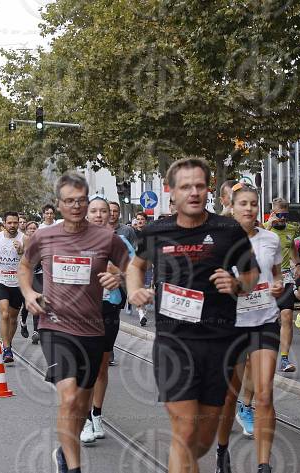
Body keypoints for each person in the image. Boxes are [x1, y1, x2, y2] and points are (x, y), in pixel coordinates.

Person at [126, 158, 259, 473]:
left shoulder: (228, 230)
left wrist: (238, 284)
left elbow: (252, 272)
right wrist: (134, 291)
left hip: (219, 344)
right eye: (186, 186)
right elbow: (136, 266)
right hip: (174, 344)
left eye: (200, 185)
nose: (194, 192)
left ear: (209, 188)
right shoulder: (157, 231)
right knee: (185, 433)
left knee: (202, 440)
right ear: (171, 191)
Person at [19, 172, 129, 473]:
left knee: (80, 404)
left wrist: (118, 276)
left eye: (81, 200)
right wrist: (29, 292)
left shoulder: (106, 238)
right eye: (69, 201)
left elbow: (131, 266)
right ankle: (73, 465)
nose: (76, 206)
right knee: (68, 398)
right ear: (59, 204)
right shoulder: (44, 236)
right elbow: (26, 265)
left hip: (92, 329)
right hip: (55, 326)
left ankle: (64, 450)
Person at [215, 182, 282, 473]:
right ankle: (221, 452)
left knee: (264, 393)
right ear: (231, 206)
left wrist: (280, 285)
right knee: (229, 396)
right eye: (243, 204)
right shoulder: (219, 240)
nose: (249, 209)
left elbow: (276, 273)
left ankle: (263, 465)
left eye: (254, 204)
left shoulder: (270, 240)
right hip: (232, 326)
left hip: (265, 320)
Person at [80, 195, 134, 444]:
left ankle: (97, 413)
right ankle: (85, 419)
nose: (100, 215)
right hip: (81, 309)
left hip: (108, 307)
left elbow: (135, 270)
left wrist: (118, 272)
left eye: (104, 211)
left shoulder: (120, 242)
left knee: (101, 365)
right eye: (95, 211)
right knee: (84, 365)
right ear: (87, 214)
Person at [263, 197, 300, 372]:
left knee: (286, 316)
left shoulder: (291, 229)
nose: (283, 218)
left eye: (286, 214)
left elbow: (291, 245)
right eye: (279, 214)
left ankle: (284, 359)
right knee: (266, 322)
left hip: (284, 276)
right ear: (272, 212)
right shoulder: (261, 228)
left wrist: (298, 264)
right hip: (264, 279)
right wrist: (268, 226)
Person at [0, 212, 26, 363]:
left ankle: (8, 344)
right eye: (9, 223)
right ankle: (7, 348)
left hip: (17, 283)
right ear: (4, 223)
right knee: (4, 314)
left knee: (13, 319)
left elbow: (31, 260)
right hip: (0, 280)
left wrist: (21, 251)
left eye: (15, 223)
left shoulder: (24, 238)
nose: (12, 225)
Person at [19, 221, 42, 344]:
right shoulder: (22, 241)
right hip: (26, 276)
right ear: (26, 230)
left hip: (39, 275)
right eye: (30, 229)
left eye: (35, 228)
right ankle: (23, 322)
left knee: (37, 301)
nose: (32, 230)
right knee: (26, 304)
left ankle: (36, 331)